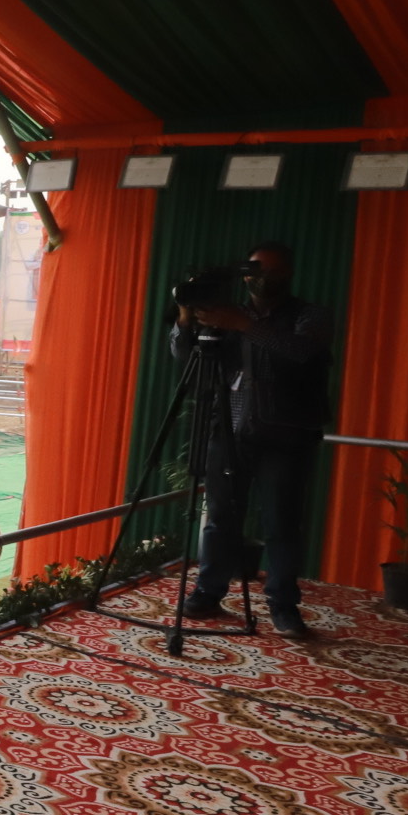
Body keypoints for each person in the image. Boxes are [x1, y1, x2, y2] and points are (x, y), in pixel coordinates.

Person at [170, 240, 332, 638]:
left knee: (281, 522)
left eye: (270, 271)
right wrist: (186, 319)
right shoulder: (230, 315)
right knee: (221, 519)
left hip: (286, 434)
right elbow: (183, 356)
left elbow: (301, 353)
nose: (261, 279)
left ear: (288, 273)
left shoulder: (307, 315)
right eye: (255, 271)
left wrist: (243, 326)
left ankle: (283, 606)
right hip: (230, 429)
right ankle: (209, 592)